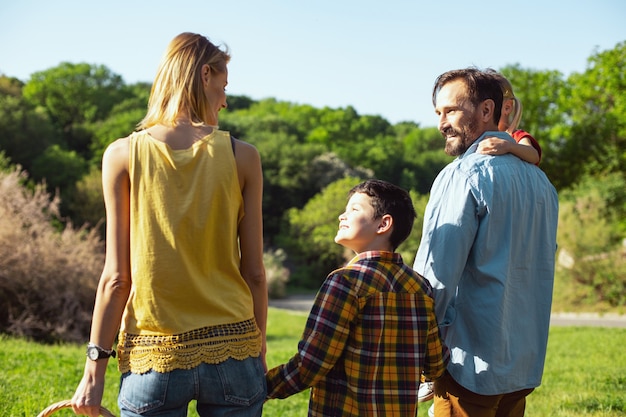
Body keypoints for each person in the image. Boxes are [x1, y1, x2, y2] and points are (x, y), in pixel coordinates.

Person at [71, 32, 267, 417]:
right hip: (233, 351)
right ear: (205, 74)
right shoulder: (243, 157)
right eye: (223, 86)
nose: (225, 100)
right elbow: (255, 272)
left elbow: (116, 278)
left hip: (153, 358)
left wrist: (94, 372)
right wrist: (255, 348)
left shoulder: (122, 155)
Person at [413, 68, 558, 417]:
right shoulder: (542, 185)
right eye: (438, 113)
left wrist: (416, 346)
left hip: (468, 366)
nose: (441, 124)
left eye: (451, 111)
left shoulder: (463, 175)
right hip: (522, 363)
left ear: (486, 110)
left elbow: (436, 274)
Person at [265, 179, 449, 417]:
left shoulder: (344, 282)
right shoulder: (419, 288)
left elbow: (311, 365)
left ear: (383, 224)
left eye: (354, 209)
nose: (342, 216)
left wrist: (263, 387)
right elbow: (435, 363)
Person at [477, 70, 541, 165]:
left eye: (488, 108)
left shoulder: (517, 136)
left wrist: (507, 146)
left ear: (507, 107)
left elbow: (534, 155)